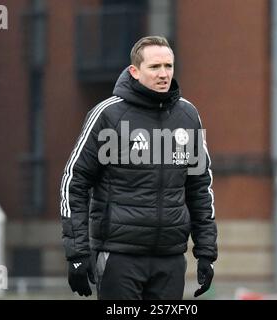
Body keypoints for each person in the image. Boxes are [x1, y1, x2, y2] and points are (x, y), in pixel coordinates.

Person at [60, 36, 217, 300]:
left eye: (168, 66)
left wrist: (206, 252)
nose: (164, 74)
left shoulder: (188, 116)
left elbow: (200, 188)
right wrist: (77, 253)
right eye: (155, 67)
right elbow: (73, 182)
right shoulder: (107, 115)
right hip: (119, 256)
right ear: (134, 71)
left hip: (170, 258)